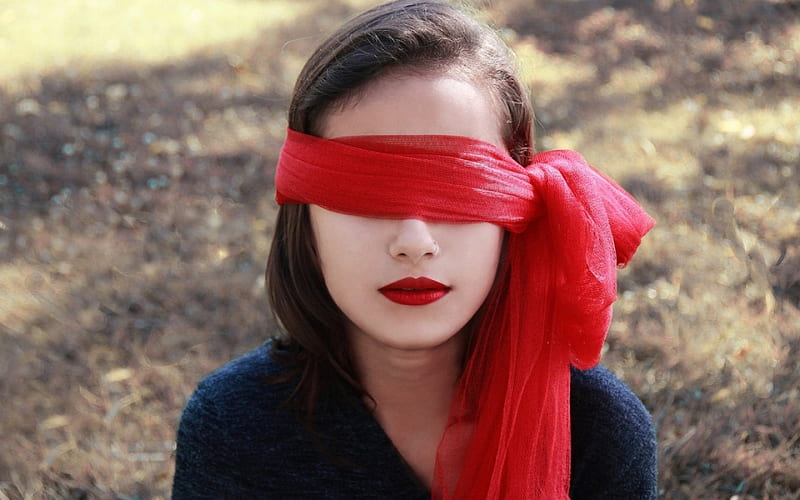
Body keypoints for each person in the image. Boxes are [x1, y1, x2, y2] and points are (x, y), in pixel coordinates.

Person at [172, 0, 658, 498]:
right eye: (366, 192)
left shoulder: (600, 432)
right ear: (307, 217)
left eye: (457, 190)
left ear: (515, 212)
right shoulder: (234, 426)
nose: (413, 242)